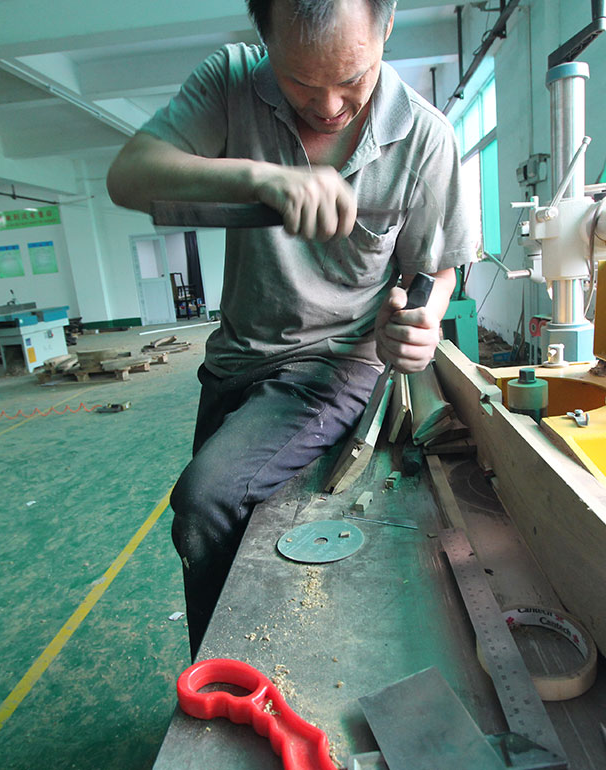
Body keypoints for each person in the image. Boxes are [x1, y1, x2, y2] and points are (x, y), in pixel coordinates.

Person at [106, 0, 475, 659]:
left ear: (387, 26)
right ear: (264, 38)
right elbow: (128, 176)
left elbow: (435, 271)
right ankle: (216, 680)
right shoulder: (232, 80)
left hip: (334, 362)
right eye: (301, 82)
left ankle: (232, 674)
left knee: (205, 500)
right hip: (234, 362)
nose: (329, 106)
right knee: (208, 538)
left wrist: (421, 318)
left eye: (352, 79)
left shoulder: (425, 138)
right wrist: (263, 178)